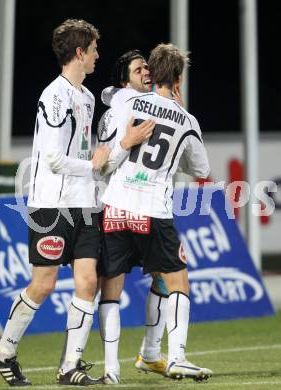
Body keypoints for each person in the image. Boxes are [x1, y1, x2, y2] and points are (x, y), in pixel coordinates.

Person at [0, 18, 110, 387]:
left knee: (88, 281)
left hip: (84, 205)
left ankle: (69, 366)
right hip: (51, 206)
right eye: (92, 49)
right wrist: (93, 165)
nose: (96, 56)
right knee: (42, 285)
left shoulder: (88, 97)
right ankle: (3, 352)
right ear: (79, 52)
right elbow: (56, 159)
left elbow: (86, 155)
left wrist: (99, 175)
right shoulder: (53, 96)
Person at [100, 43, 213, 382]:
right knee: (177, 279)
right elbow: (202, 169)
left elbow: (110, 148)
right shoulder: (187, 120)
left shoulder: (130, 102)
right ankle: (176, 356)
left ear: (152, 73)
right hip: (152, 209)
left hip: (116, 204)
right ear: (178, 77)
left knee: (112, 289)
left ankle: (113, 368)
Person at [96, 50, 171, 384]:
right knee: (117, 285)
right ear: (124, 79)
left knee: (163, 276)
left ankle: (145, 356)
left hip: (139, 205)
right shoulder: (120, 109)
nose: (147, 72)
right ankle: (119, 365)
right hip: (121, 205)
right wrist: (128, 141)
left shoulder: (146, 106)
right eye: (139, 68)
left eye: (148, 67)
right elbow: (103, 164)